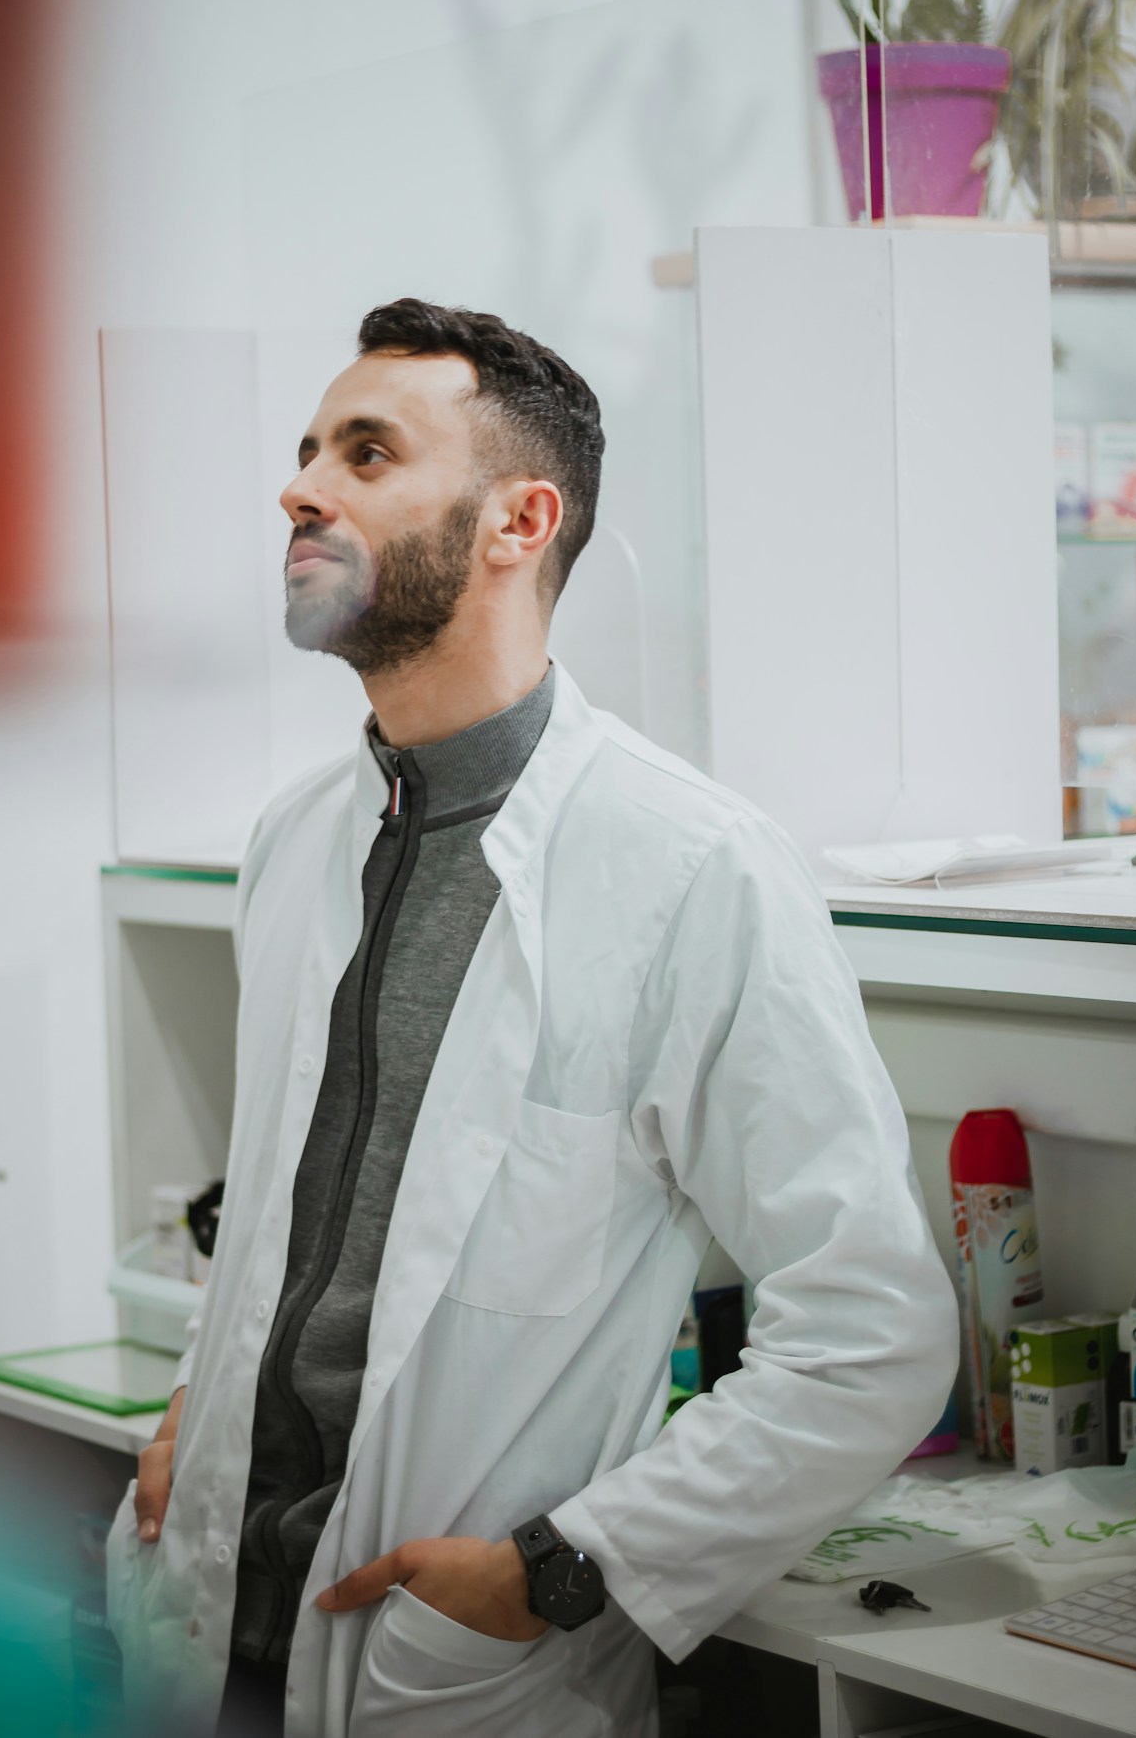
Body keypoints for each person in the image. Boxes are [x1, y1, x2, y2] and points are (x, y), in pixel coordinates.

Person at [105, 298, 957, 1738]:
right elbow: (285, 1220)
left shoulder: (692, 870)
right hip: (203, 1624)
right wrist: (205, 1403)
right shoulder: (295, 840)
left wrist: (565, 1571)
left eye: (366, 453)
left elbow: (870, 1331)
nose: (300, 486)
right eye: (309, 447)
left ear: (519, 521)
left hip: (441, 1662)